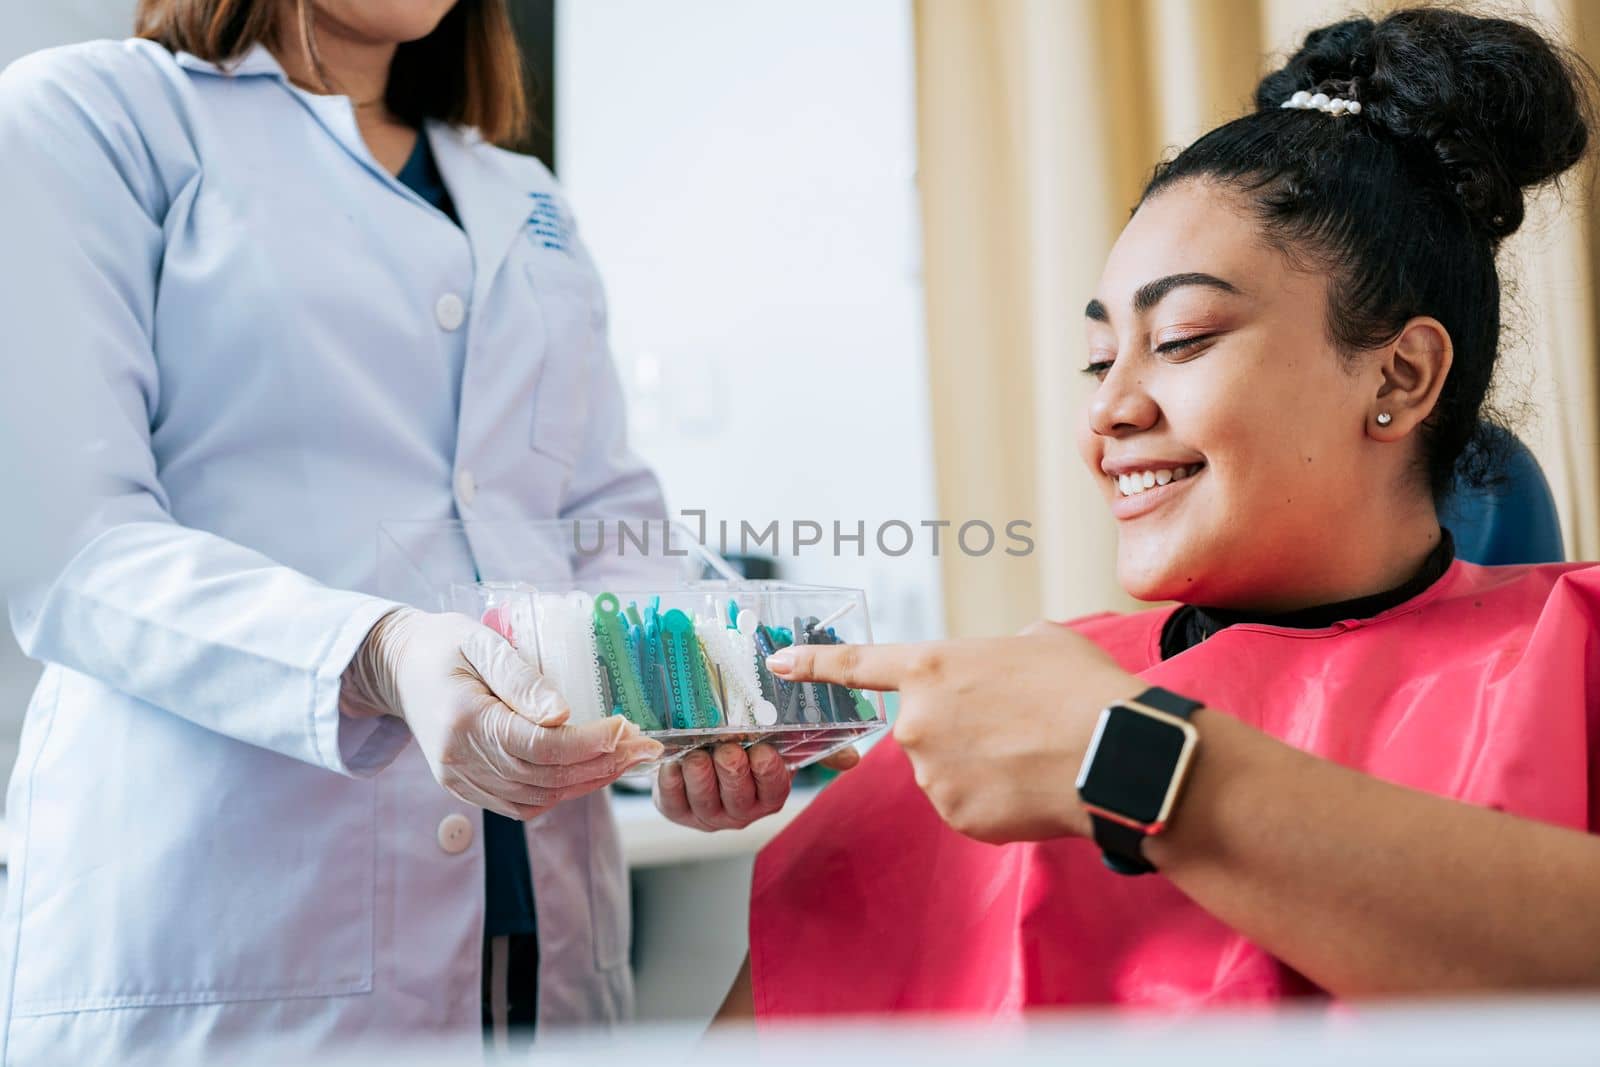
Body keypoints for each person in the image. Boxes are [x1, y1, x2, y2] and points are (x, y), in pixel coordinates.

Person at [718, 8, 1600, 1018]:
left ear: (1399, 373)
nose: (1108, 408)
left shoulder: (1574, 651)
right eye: (1099, 357)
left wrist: (1125, 755)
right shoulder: (1020, 703)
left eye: (1179, 338)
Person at [0, 1, 813, 1059]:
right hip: (230, 913)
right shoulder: (92, 118)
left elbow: (604, 520)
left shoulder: (520, 194)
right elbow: (73, 548)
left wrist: (692, 707)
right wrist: (381, 650)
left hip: (531, 903)